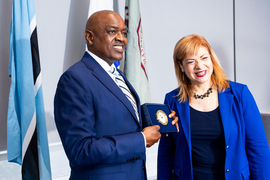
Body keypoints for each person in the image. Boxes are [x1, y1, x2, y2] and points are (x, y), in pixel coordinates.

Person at [54, 10, 178, 180]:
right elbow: (81, 150)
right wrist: (141, 139)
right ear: (89, 38)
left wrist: (162, 120)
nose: (121, 38)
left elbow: (121, 119)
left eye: (124, 33)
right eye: (112, 32)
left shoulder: (117, 74)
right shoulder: (75, 79)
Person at [157, 34, 270, 180]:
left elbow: (258, 149)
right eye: (191, 61)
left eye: (204, 58)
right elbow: (166, 154)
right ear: (181, 66)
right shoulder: (173, 100)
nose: (199, 66)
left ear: (211, 58)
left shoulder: (240, 94)